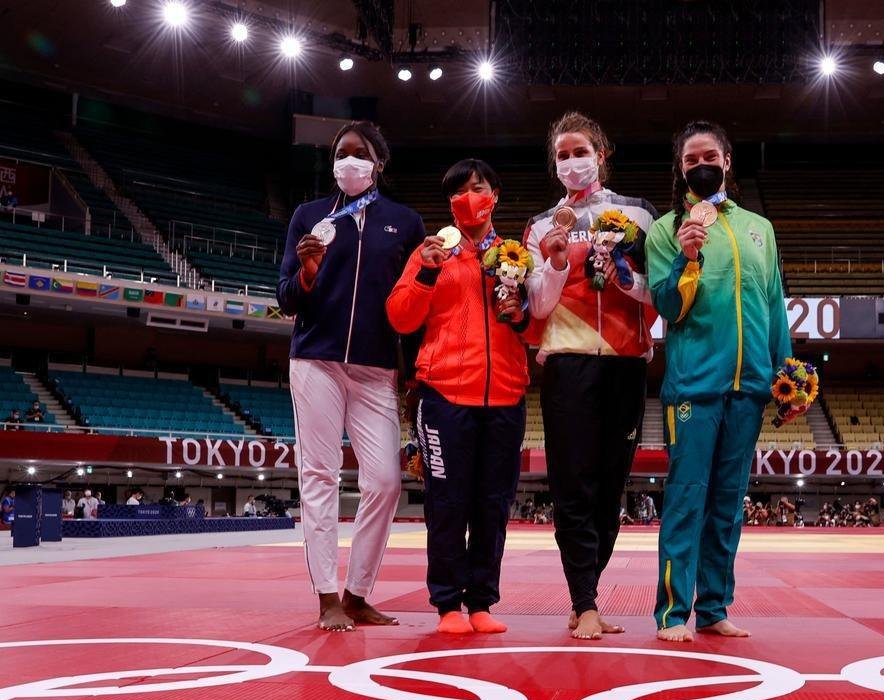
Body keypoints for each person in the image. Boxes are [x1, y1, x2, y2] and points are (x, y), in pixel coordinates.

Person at [647, 120, 798, 642]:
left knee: (729, 502)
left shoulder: (761, 229)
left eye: (708, 156)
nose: (700, 165)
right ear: (681, 170)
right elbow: (667, 306)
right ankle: (672, 614)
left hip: (751, 385)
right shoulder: (666, 229)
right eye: (690, 161)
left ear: (727, 161)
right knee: (687, 497)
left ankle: (713, 607)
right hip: (693, 386)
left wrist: (788, 370)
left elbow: (774, 302)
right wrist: (688, 257)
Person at [278, 120, 424, 632]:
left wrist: (414, 373)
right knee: (317, 476)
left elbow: (414, 304)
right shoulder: (309, 216)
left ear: (378, 163)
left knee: (384, 481)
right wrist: (308, 273)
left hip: (376, 366)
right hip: (315, 360)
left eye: (360, 153)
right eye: (342, 153)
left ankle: (358, 592)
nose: (349, 161)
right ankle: (325, 597)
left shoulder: (405, 223)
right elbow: (286, 297)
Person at [523, 112, 658, 640]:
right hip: (568, 363)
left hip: (627, 364)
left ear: (601, 154)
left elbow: (660, 292)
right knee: (572, 486)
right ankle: (585, 601)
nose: (571, 161)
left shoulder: (640, 216)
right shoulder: (540, 226)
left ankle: (587, 597)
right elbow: (535, 306)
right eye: (562, 155)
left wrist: (626, 277)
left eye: (580, 151)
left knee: (611, 490)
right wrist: (556, 265)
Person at [387, 158, 529, 635]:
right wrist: (426, 274)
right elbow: (401, 318)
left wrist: (522, 313)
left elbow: (540, 327)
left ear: (495, 195)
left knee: (493, 504)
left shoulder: (515, 256)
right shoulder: (431, 253)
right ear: (450, 202)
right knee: (447, 503)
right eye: (459, 190)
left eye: (479, 186)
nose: (470, 196)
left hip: (505, 396)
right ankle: (447, 603)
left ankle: (482, 602)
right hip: (445, 396)